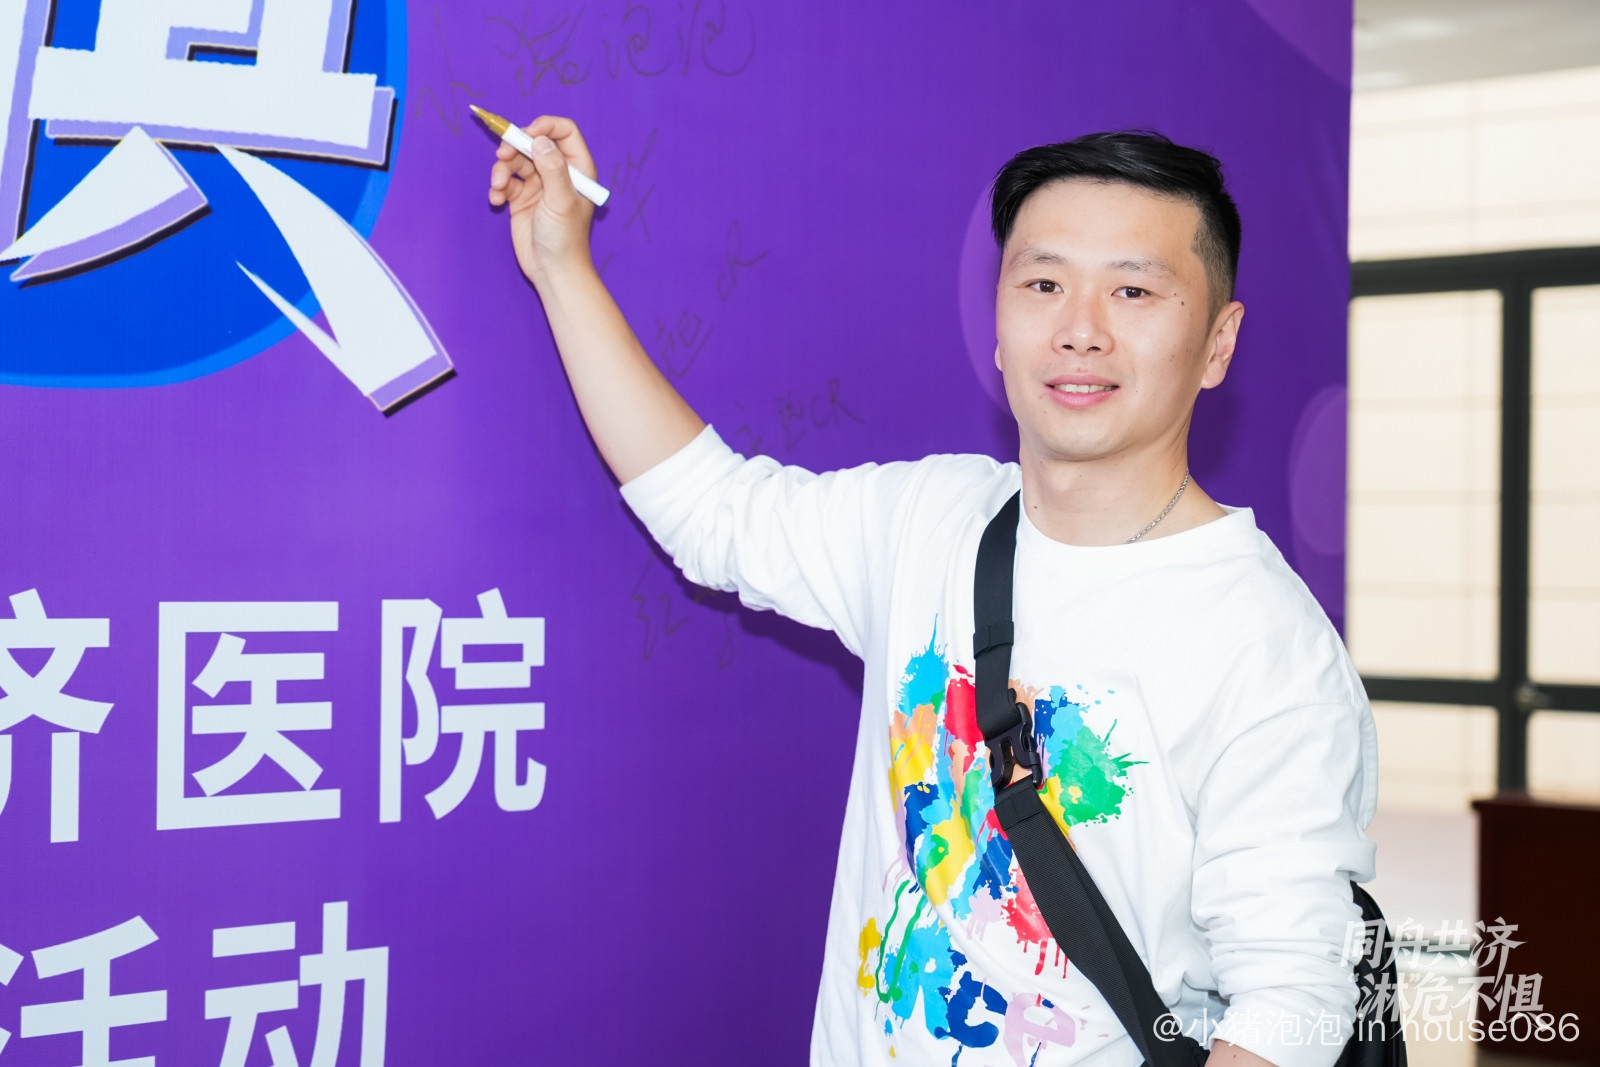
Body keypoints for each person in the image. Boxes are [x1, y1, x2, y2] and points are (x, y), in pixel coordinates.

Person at [487, 118, 1377, 1067]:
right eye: (1043, 284)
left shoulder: (1265, 642)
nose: (1080, 328)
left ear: (1218, 343)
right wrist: (563, 266)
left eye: (1133, 290)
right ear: (997, 323)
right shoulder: (932, 519)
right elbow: (715, 511)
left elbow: (1291, 1005)